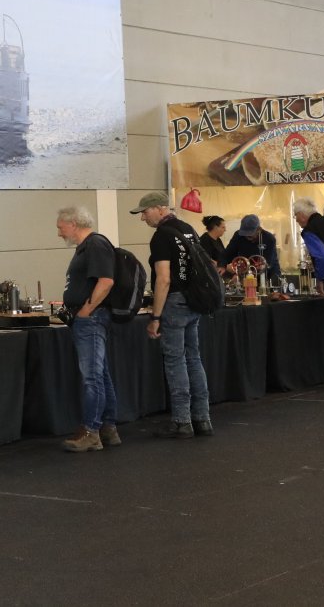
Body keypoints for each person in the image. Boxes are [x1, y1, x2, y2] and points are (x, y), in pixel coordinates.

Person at [133, 193, 211, 439]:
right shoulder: (188, 229)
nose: (143, 217)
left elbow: (164, 279)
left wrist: (155, 317)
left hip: (174, 302)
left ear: (159, 208)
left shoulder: (161, 236)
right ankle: (202, 418)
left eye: (145, 212)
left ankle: (181, 421)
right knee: (194, 359)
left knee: (175, 360)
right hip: (194, 300)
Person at [57, 205, 118, 453]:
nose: (59, 233)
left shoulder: (95, 245)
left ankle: (91, 432)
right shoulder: (88, 247)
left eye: (61, 227)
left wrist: (86, 310)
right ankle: (108, 428)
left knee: (92, 377)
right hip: (89, 318)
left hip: (90, 319)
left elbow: (106, 281)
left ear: (73, 224)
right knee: (101, 374)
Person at [293, 198, 324, 297]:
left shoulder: (310, 230)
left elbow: (323, 257)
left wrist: (320, 279)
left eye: (296, 215)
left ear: (302, 215)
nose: (296, 219)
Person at [225, 215, 280, 285]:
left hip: (268, 274)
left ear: (259, 230)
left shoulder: (269, 239)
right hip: (246, 274)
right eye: (245, 235)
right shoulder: (238, 236)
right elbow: (228, 253)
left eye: (250, 235)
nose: (247, 238)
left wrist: (261, 267)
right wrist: (223, 265)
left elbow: (269, 262)